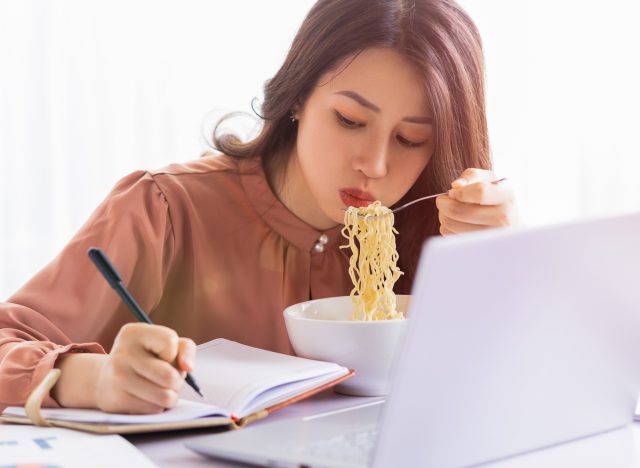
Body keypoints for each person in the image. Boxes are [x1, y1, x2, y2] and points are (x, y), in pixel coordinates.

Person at [0, 0, 519, 415]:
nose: (375, 165)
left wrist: (508, 260)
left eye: (410, 139)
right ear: (297, 97)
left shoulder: (440, 231)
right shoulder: (165, 208)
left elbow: (524, 386)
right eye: (349, 120)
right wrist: (93, 379)